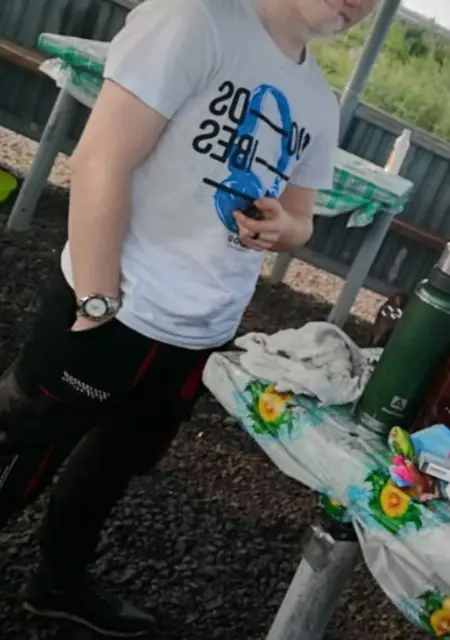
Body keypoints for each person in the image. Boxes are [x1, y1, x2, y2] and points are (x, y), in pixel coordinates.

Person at [0, 0, 378, 636]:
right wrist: (96, 302)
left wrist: (287, 229)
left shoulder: (317, 100)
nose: (359, 3)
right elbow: (101, 159)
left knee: (114, 464)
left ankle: (56, 586)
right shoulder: (195, 21)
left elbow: (302, 217)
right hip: (114, 302)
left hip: (200, 329)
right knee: (24, 441)